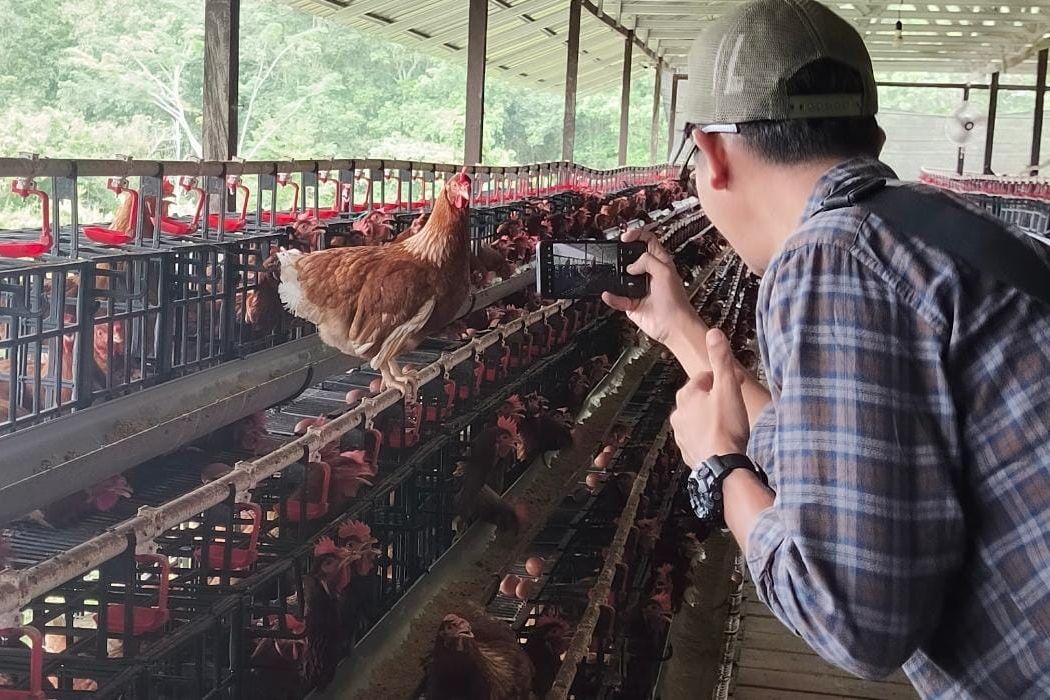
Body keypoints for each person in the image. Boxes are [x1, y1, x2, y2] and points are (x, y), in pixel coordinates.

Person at [603, 1, 1050, 697]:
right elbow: (832, 449)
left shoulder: (831, 256)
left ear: (713, 154)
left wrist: (719, 473)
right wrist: (681, 331)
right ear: (871, 132)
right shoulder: (930, 230)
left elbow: (857, 620)